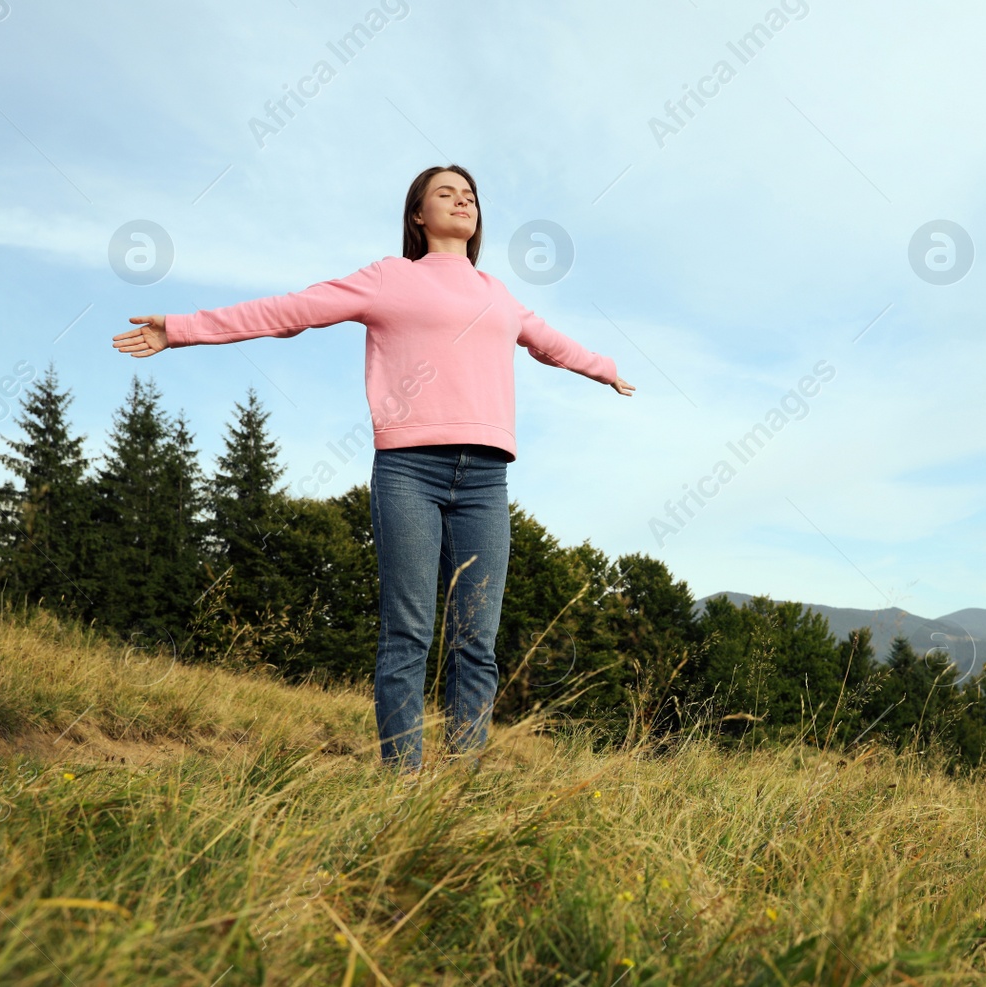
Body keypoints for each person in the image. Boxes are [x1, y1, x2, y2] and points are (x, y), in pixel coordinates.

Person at [111, 165, 634, 772]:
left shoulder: (497, 293)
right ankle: (401, 786)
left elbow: (550, 342)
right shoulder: (389, 278)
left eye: (469, 195)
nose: (462, 200)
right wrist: (181, 329)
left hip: (488, 481)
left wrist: (604, 368)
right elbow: (291, 310)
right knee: (408, 634)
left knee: (476, 640)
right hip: (409, 473)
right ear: (418, 214)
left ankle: (463, 790)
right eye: (446, 193)